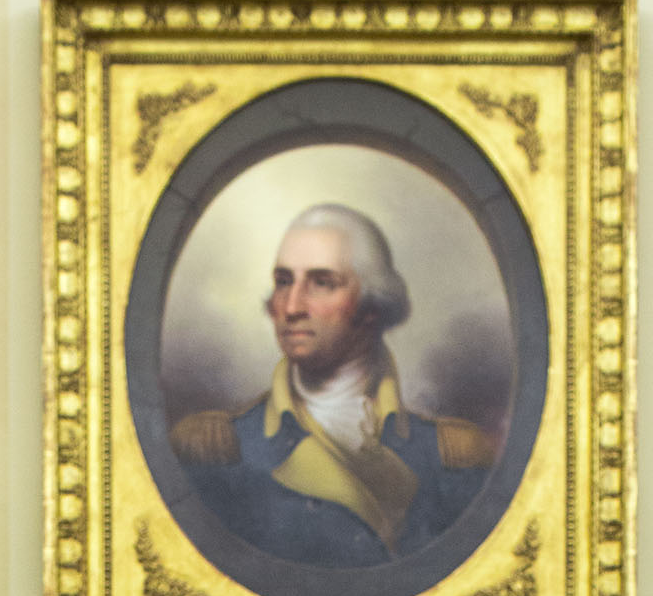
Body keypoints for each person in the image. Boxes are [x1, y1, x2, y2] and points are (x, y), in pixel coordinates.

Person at [169, 203, 496, 567]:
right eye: (283, 281)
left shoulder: (453, 457)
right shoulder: (217, 452)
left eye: (322, 283)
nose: (291, 307)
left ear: (372, 304)